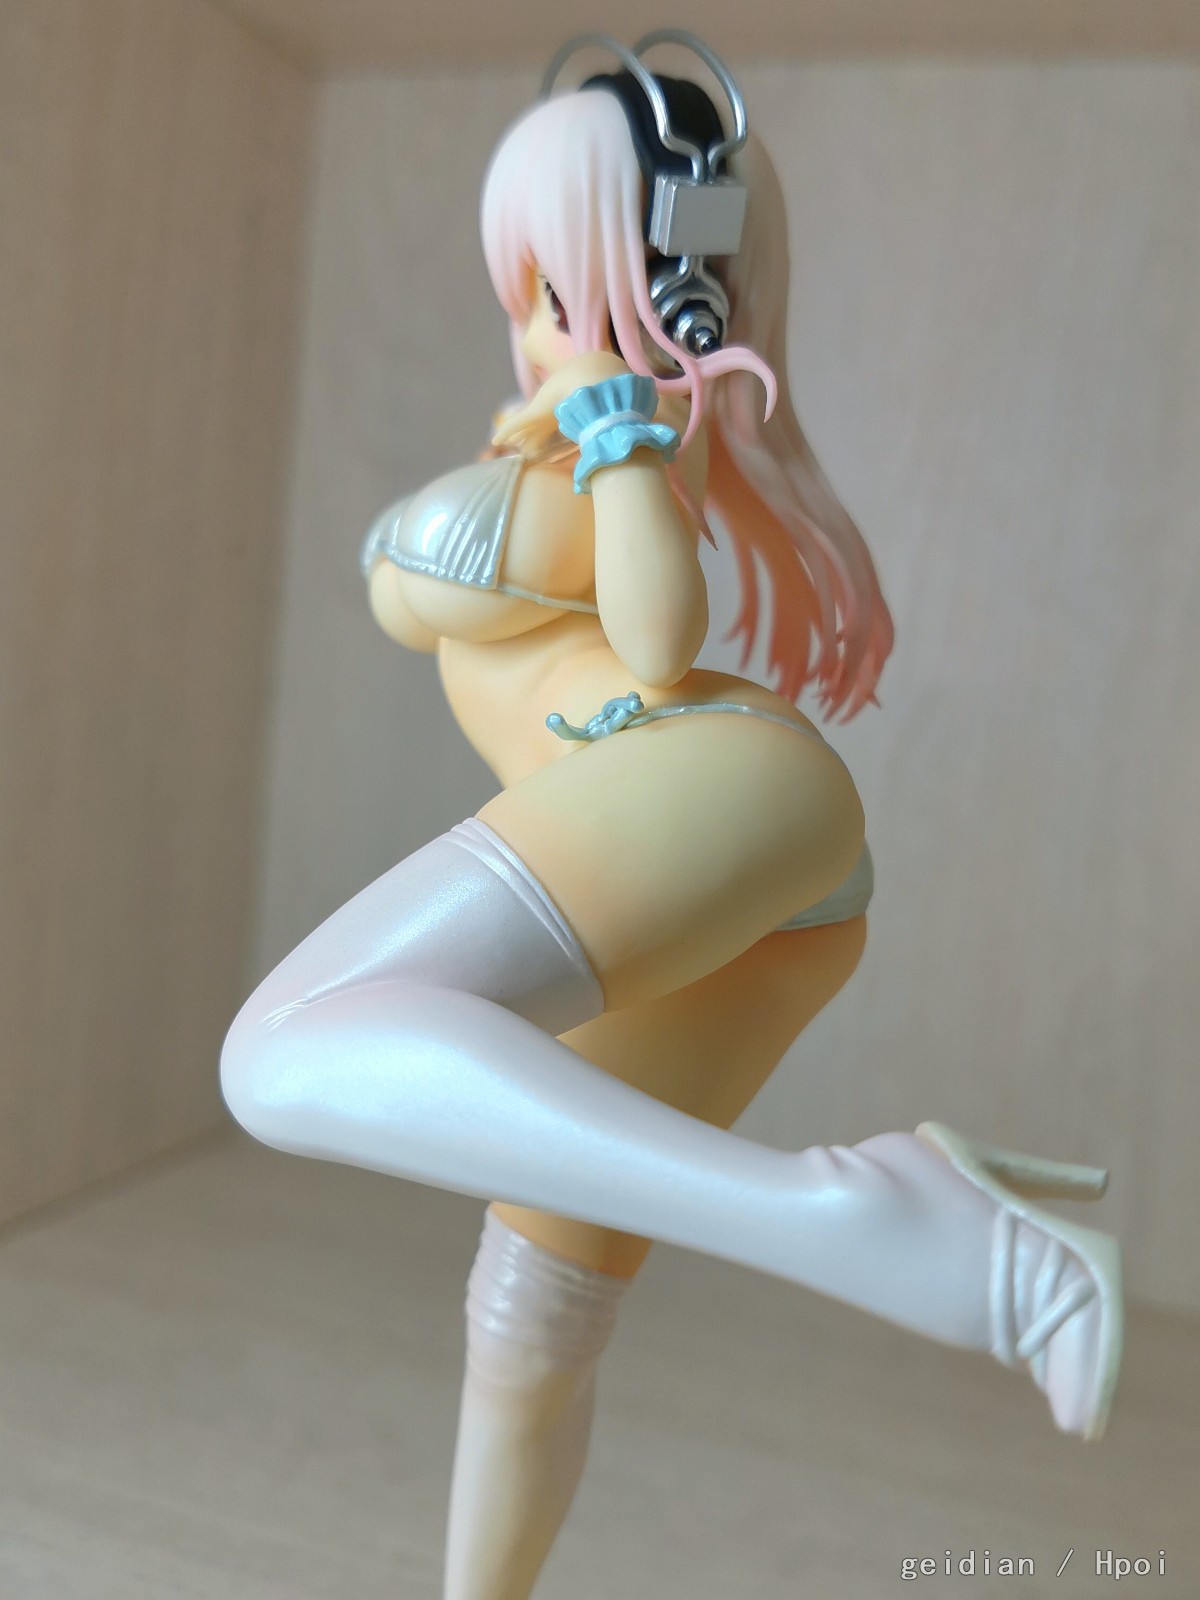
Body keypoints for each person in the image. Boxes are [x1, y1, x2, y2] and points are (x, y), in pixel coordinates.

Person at [220, 33, 1122, 1600]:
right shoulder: (556, 435)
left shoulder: (622, 440)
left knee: (278, 1052)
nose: (535, 327)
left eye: (562, 285)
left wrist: (629, 445)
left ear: (682, 273)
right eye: (525, 290)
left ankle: (868, 1217)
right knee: (533, 1309)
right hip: (747, 866)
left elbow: (652, 639)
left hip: (708, 785)